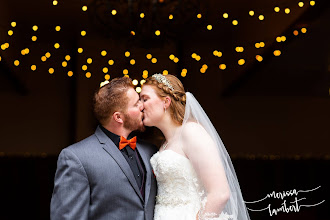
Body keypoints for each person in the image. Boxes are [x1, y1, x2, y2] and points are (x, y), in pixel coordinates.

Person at [140, 74, 251, 220]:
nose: (140, 105)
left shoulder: (191, 132)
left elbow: (220, 193)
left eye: (145, 99)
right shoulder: (165, 143)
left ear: (166, 102)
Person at [50, 77, 158, 220]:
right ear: (118, 117)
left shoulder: (150, 151)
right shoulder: (76, 157)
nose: (142, 106)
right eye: (136, 103)